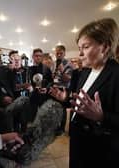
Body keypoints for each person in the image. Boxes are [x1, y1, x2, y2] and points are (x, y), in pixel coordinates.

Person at [49, 18, 119, 168]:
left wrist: (101, 117)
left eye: (85, 47)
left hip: (100, 152)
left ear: (105, 47)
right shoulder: (84, 72)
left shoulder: (116, 74)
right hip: (78, 143)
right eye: (79, 47)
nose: (80, 53)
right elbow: (79, 103)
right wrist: (65, 97)